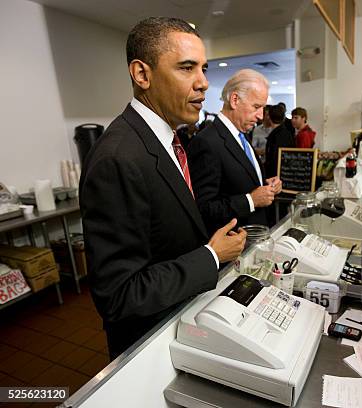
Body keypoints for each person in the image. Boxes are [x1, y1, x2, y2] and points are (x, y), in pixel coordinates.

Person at [79, 17, 246, 359]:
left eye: (204, 69)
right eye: (187, 68)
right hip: (148, 346)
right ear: (142, 75)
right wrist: (211, 256)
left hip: (181, 326)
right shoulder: (118, 158)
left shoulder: (171, 140)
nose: (203, 84)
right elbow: (121, 295)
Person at [188, 69, 282, 233]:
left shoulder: (241, 135)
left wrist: (266, 184)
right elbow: (203, 208)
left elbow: (239, 180)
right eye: (256, 107)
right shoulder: (206, 142)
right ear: (235, 100)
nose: (261, 116)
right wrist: (251, 200)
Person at [264, 104, 295, 178]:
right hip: (285, 174)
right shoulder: (287, 133)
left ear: (269, 117)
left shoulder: (276, 135)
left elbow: (274, 160)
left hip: (276, 177)